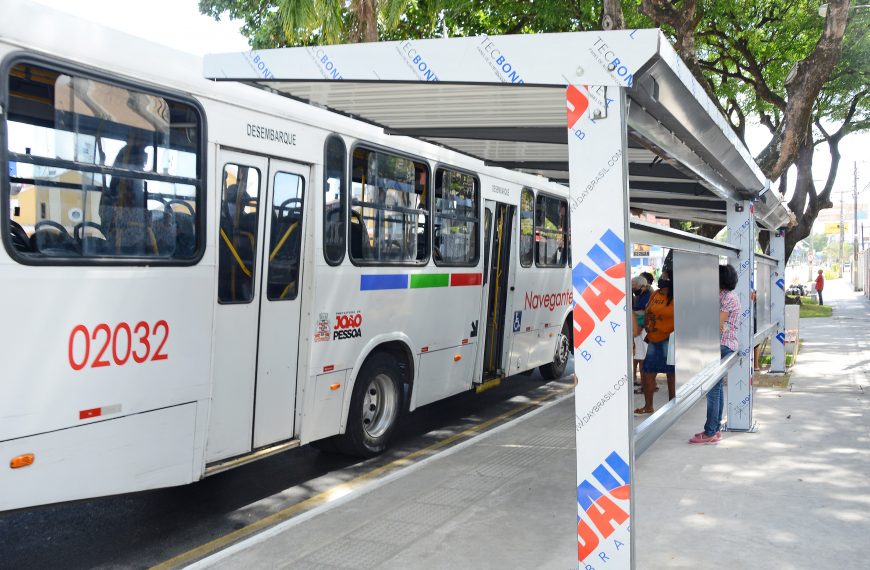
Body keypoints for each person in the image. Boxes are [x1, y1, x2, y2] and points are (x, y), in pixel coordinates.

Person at [690, 264, 741, 444]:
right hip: (721, 345)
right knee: (716, 389)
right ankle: (714, 430)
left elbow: (718, 324)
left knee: (713, 390)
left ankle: (710, 432)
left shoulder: (728, 298)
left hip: (721, 345)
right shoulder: (723, 295)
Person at [635, 264, 675, 415]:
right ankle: (648, 406)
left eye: (666, 277)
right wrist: (647, 325)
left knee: (671, 374)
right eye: (662, 277)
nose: (662, 279)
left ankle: (673, 405)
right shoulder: (656, 294)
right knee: (647, 372)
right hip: (653, 338)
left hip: (669, 340)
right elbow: (647, 310)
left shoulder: (677, 297)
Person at [631, 275, 651, 386]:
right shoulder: (641, 295)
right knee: (639, 357)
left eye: (634, 286)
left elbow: (646, 313)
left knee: (642, 358)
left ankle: (646, 385)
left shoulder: (648, 296)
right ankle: (645, 384)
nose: (633, 289)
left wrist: (640, 326)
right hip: (639, 328)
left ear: (642, 287)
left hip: (642, 329)